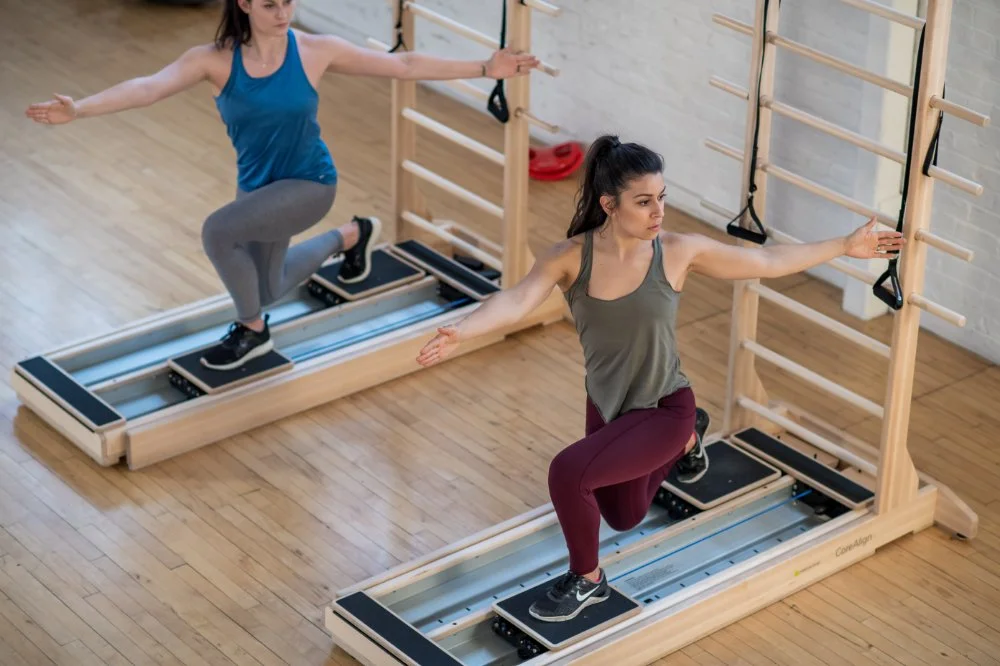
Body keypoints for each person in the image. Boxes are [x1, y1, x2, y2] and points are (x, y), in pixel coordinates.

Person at [416, 134, 904, 622]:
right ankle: (689, 443)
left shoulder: (676, 252)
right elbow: (517, 299)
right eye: (644, 201)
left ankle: (589, 581)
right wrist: (462, 329)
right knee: (622, 515)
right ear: (609, 205)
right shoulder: (570, 257)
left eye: (662, 198)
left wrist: (845, 245)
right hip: (609, 408)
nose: (658, 212)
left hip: (665, 406)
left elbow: (766, 262)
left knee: (568, 472)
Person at [25, 0, 539, 371]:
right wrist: (81, 108)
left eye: (288, 2)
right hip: (258, 192)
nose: (283, 13)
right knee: (268, 288)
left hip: (310, 183)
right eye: (270, 4)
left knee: (217, 233)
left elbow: (401, 65)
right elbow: (147, 88)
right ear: (245, 4)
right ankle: (352, 236)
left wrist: (483, 67)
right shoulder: (213, 59)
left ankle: (253, 334)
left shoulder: (314, 51)